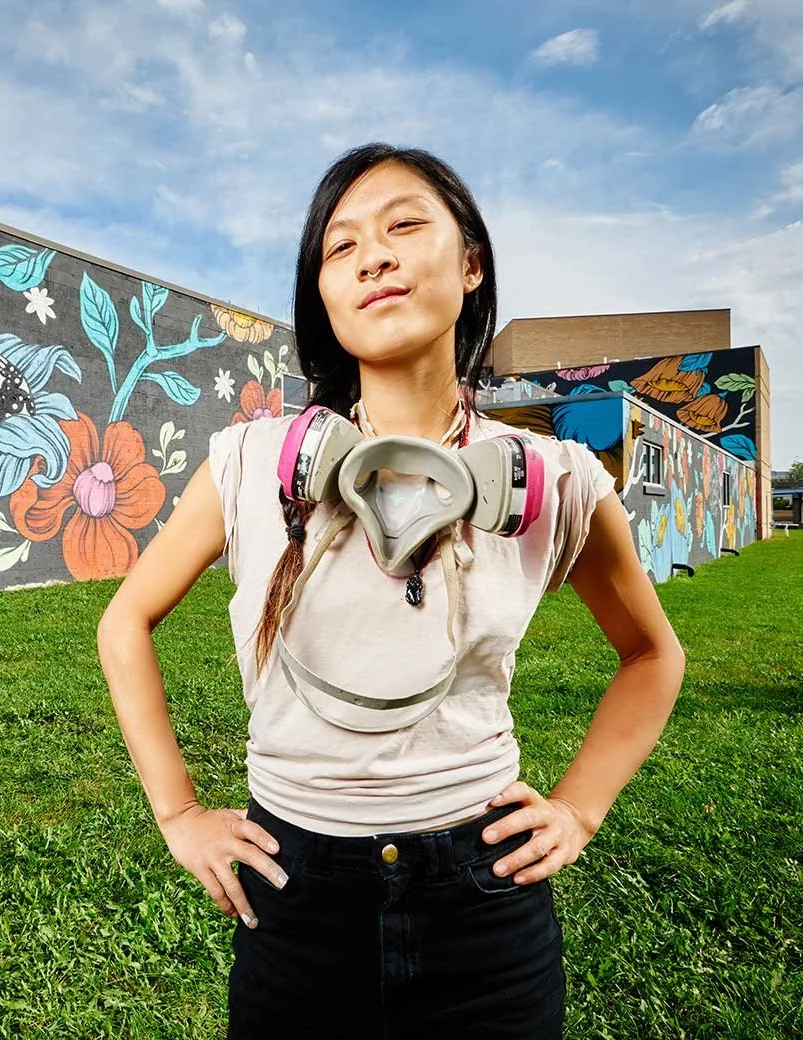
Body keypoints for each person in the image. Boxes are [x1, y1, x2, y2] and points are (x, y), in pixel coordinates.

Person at [95, 143, 684, 1037]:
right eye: (341, 247)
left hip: (484, 901)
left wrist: (579, 810)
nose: (374, 256)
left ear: (471, 261)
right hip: (293, 895)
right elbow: (125, 619)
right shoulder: (252, 464)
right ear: (324, 298)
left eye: (406, 225)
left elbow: (652, 653)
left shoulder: (557, 482)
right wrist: (178, 813)